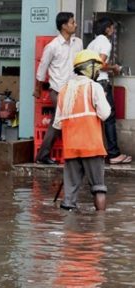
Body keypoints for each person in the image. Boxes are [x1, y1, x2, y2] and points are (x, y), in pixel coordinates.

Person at [53, 50, 111, 211]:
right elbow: (105, 114)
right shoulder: (94, 87)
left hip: (71, 148)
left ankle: (67, 225)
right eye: (97, 69)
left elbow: (57, 124)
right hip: (92, 146)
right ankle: (101, 224)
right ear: (89, 68)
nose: (98, 72)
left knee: (69, 196)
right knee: (99, 188)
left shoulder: (64, 90)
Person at [34, 12, 83, 165]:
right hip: (59, 91)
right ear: (63, 26)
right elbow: (42, 69)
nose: (75, 24)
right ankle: (52, 155)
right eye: (72, 22)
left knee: (61, 122)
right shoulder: (52, 46)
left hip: (75, 90)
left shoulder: (78, 43)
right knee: (60, 122)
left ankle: (45, 155)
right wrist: (38, 89)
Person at [87, 17, 131, 164]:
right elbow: (100, 64)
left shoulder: (92, 43)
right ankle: (113, 154)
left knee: (96, 119)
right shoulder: (105, 42)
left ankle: (96, 152)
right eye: (112, 27)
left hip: (91, 82)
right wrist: (114, 68)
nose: (113, 30)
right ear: (107, 29)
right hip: (102, 83)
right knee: (109, 118)